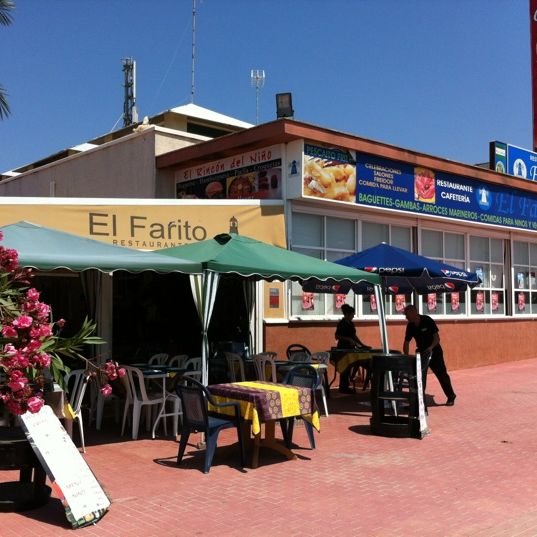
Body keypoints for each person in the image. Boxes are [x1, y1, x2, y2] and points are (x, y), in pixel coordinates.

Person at [402, 304, 456, 406]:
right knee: (420, 377)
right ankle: (420, 401)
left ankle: (451, 396)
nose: (406, 317)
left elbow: (437, 338)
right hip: (422, 353)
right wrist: (406, 356)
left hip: (435, 351)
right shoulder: (410, 325)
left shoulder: (427, 320)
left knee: (442, 375)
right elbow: (406, 342)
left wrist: (430, 347)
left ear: (413, 312)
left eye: (407, 315)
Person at [334, 304, 371, 394]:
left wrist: (362, 345)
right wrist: (348, 339)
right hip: (343, 348)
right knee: (344, 367)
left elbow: (354, 336)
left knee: (350, 366)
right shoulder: (341, 323)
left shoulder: (351, 324)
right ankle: (343, 387)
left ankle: (348, 384)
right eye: (352, 314)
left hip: (350, 348)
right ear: (347, 314)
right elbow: (337, 336)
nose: (353, 316)